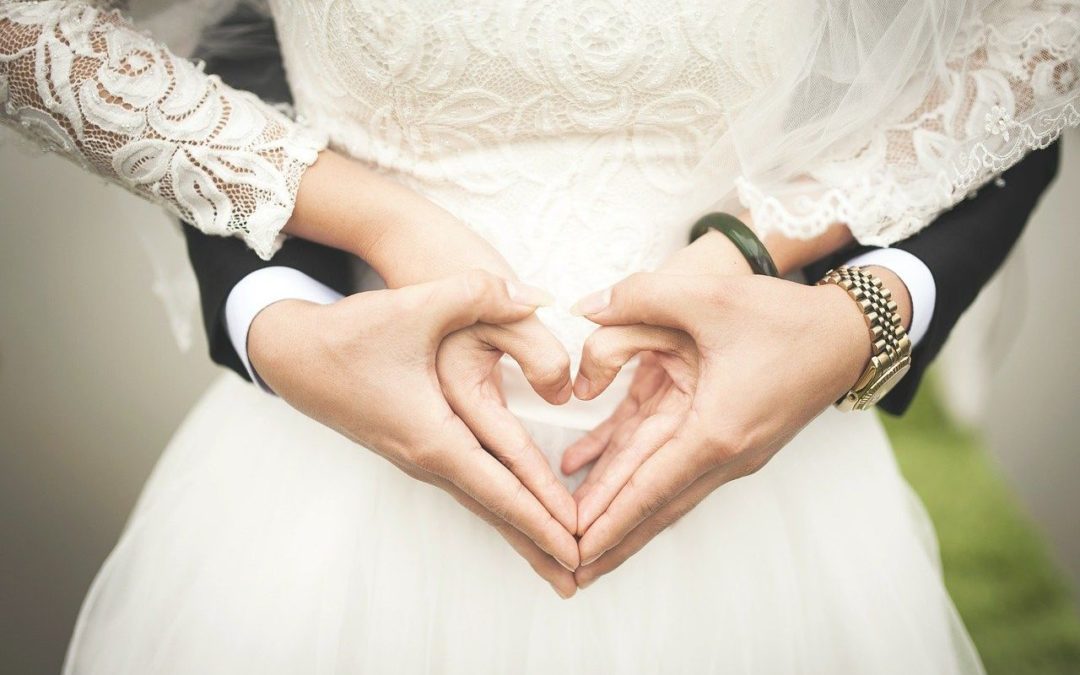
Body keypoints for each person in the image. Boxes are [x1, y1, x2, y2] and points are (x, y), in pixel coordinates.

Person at [0, 1, 1075, 673]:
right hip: (340, 488)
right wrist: (372, 225)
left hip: (760, 486)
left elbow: (1038, 32)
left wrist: (795, 276)